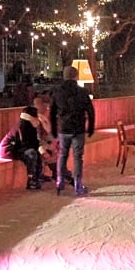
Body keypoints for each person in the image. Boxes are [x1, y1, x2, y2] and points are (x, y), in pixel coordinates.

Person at [50, 65, 95, 196]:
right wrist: (91, 127)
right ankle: (77, 183)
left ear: (64, 76)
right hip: (78, 128)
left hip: (63, 128)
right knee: (77, 157)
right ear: (76, 76)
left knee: (62, 155)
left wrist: (54, 129)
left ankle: (59, 181)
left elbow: (52, 112)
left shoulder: (57, 91)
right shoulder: (82, 92)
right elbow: (90, 111)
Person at [0, 106, 45, 190]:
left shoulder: (31, 125)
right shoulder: (22, 126)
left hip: (19, 147)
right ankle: (31, 179)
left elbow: (33, 141)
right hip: (9, 149)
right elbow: (25, 143)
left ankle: (38, 175)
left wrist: (41, 148)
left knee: (37, 152)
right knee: (32, 154)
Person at [33, 94, 60, 182]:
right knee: (46, 152)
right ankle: (41, 174)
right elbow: (36, 138)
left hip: (45, 142)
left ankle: (56, 173)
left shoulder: (47, 119)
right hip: (35, 144)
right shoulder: (35, 119)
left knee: (54, 148)